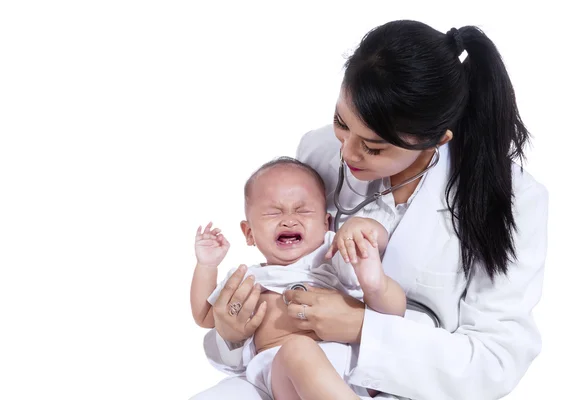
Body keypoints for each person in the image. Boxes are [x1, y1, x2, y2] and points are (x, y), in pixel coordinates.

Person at [191, 19, 549, 400]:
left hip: (411, 384)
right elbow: (283, 271)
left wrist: (362, 327)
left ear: (436, 139)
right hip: (289, 373)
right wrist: (230, 333)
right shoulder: (318, 152)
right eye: (340, 123)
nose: (346, 153)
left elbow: (492, 363)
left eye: (374, 147)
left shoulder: (513, 199)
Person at [190, 158, 406, 399]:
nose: (289, 219)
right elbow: (205, 316)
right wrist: (207, 266)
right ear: (249, 233)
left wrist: (361, 227)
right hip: (271, 377)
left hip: (339, 365)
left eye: (303, 210)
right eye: (273, 212)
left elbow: (381, 245)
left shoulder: (330, 256)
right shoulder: (245, 278)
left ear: (327, 224)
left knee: (299, 349)